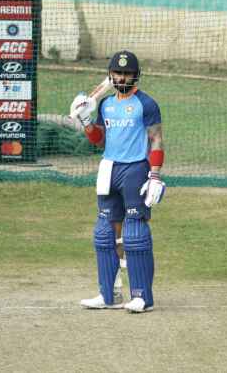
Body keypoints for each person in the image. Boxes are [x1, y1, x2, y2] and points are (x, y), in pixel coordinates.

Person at [69, 50, 166, 313]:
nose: (122, 78)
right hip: (108, 168)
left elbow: (156, 140)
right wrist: (86, 121)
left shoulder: (146, 104)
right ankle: (108, 295)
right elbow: (100, 140)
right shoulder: (105, 104)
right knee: (104, 234)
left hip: (135, 169)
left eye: (127, 73)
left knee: (134, 233)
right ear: (110, 75)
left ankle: (142, 296)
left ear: (136, 76)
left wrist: (154, 175)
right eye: (118, 73)